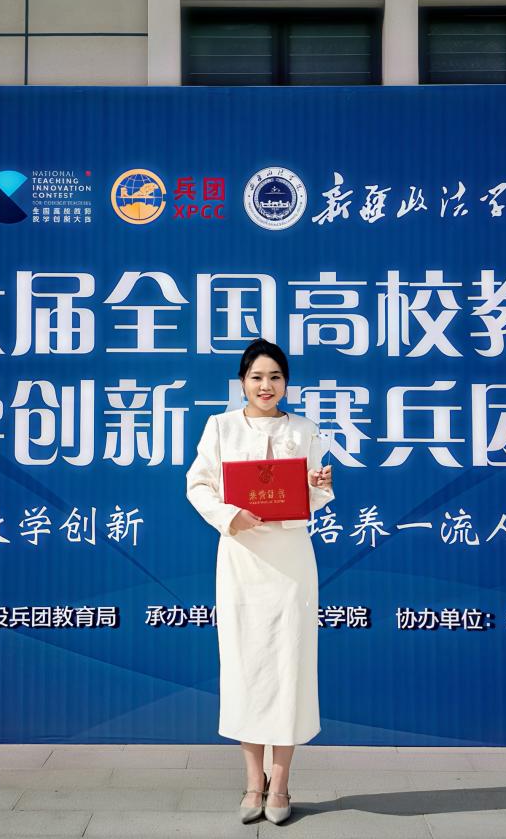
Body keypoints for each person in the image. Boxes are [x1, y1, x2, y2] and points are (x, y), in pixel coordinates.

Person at [185, 338, 334, 824]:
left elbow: (315, 493)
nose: (265, 386)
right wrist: (230, 516)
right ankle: (254, 782)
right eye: (256, 377)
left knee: (290, 664)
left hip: (290, 559)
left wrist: (318, 486)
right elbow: (198, 484)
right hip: (242, 557)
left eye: (275, 377)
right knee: (245, 665)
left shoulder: (305, 429)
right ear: (242, 382)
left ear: (286, 383)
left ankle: (282, 783)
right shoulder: (220, 426)